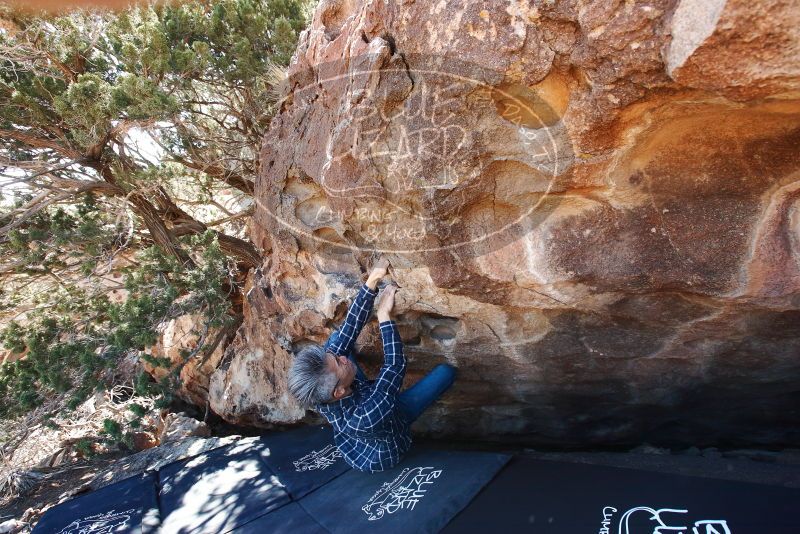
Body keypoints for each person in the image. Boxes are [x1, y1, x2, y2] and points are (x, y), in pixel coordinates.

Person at [287, 258, 457, 473]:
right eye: (339, 362)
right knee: (446, 372)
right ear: (338, 391)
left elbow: (350, 328)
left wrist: (373, 281)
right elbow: (394, 366)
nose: (341, 357)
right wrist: (384, 316)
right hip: (387, 435)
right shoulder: (364, 417)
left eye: (334, 357)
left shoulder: (324, 382)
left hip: (359, 396)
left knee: (335, 344)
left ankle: (358, 382)